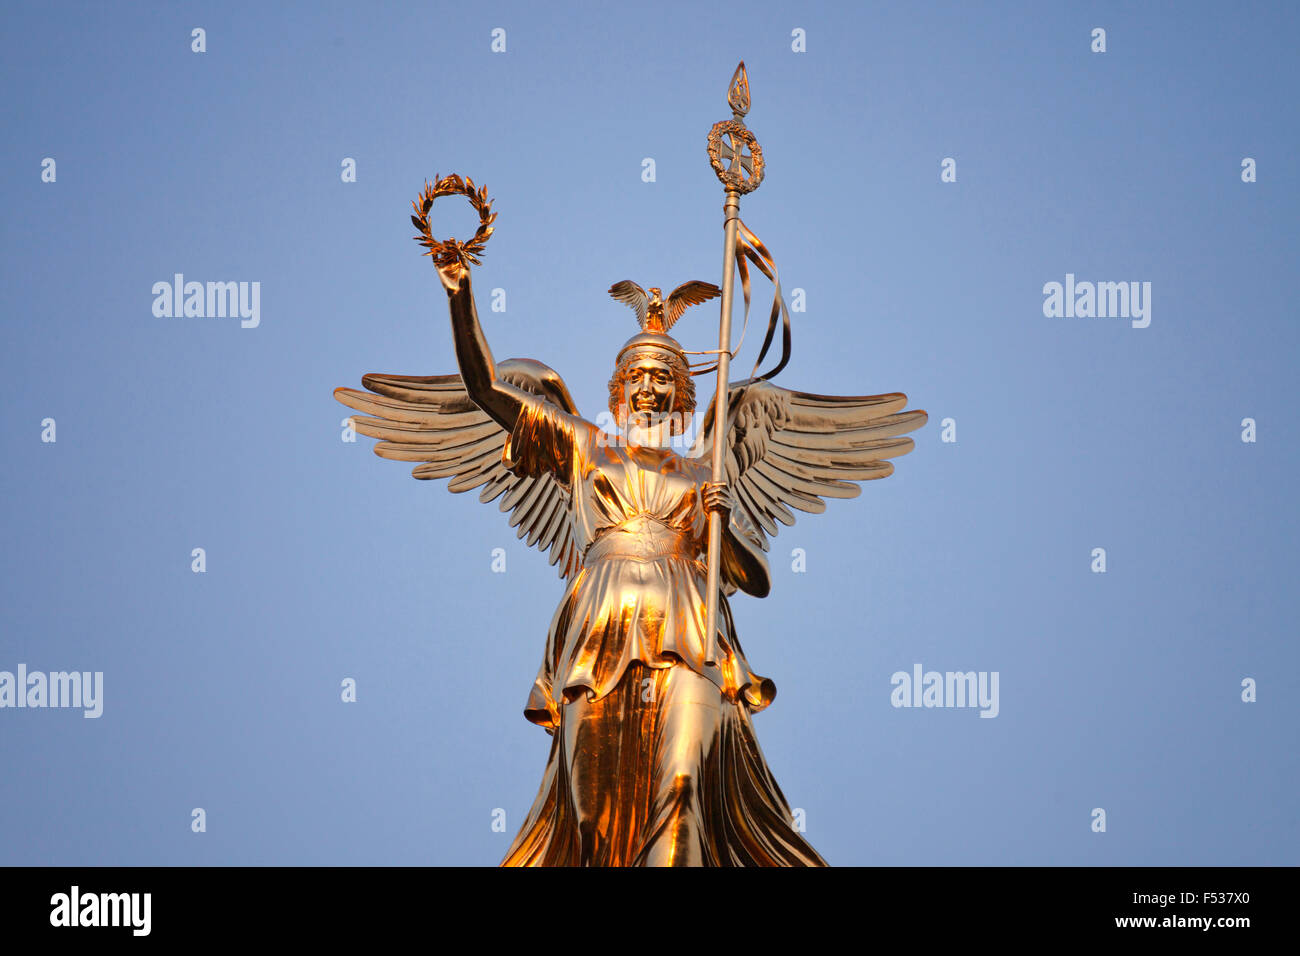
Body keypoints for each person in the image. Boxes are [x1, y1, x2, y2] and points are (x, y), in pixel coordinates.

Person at [435, 256, 826, 866]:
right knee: (593, 821)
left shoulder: (705, 471)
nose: (650, 386)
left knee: (683, 794)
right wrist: (461, 296)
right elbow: (484, 388)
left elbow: (757, 580)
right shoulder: (584, 444)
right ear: (620, 390)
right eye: (638, 375)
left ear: (681, 394)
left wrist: (722, 515)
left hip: (690, 630)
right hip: (600, 628)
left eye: (663, 377)